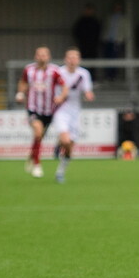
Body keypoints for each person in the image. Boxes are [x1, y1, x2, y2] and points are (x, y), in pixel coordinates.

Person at [15, 47, 67, 178]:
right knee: (38, 132)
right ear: (35, 56)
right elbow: (23, 82)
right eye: (39, 55)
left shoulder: (54, 71)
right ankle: (37, 165)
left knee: (39, 137)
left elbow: (64, 86)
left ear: (48, 57)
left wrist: (61, 97)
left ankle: (32, 155)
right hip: (33, 108)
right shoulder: (29, 70)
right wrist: (20, 93)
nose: (42, 57)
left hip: (49, 110)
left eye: (44, 55)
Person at [52, 48, 95, 183]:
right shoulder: (58, 72)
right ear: (65, 59)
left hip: (75, 112)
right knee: (66, 140)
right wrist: (56, 98)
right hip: (60, 110)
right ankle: (60, 143)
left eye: (75, 58)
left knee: (70, 146)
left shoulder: (84, 74)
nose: (72, 60)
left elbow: (87, 90)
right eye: (70, 57)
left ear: (79, 60)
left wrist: (88, 95)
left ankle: (60, 172)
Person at [101, 0, 127, 82]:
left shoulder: (124, 19)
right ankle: (107, 76)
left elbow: (125, 31)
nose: (117, 9)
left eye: (119, 8)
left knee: (114, 58)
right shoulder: (109, 17)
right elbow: (105, 28)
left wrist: (121, 40)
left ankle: (113, 76)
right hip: (108, 41)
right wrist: (104, 38)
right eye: (116, 7)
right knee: (107, 58)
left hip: (117, 42)